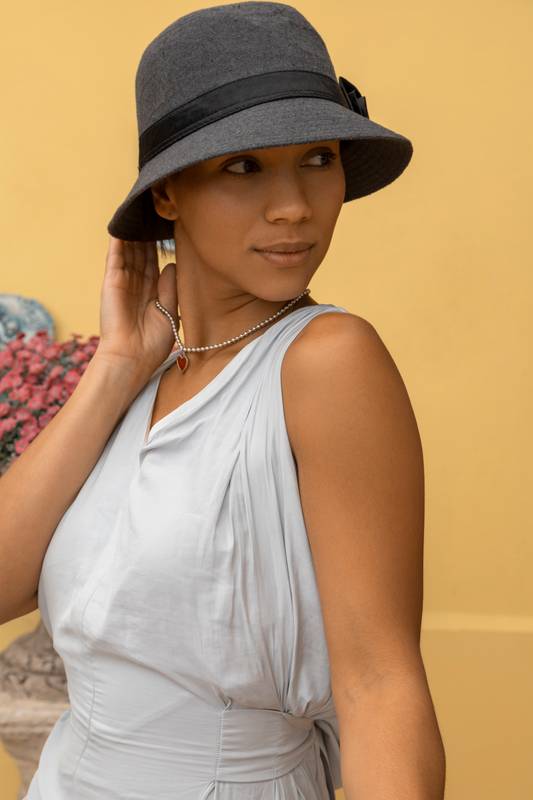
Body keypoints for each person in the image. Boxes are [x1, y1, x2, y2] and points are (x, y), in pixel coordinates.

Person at [0, 2, 445, 799]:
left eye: (317, 158)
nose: (294, 207)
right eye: (243, 166)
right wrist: (115, 366)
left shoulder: (329, 363)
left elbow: (379, 684)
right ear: (167, 194)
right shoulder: (143, 375)